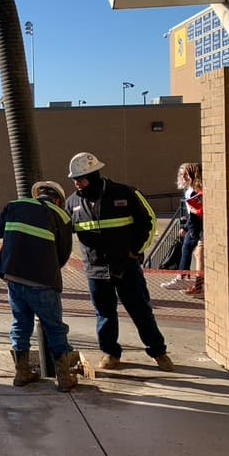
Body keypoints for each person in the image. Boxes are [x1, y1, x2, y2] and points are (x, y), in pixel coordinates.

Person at [65, 151, 175, 371]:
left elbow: (149, 221)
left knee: (140, 311)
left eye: (81, 179)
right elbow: (63, 231)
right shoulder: (72, 203)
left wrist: (136, 251)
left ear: (95, 175)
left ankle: (158, 352)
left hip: (126, 266)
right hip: (95, 270)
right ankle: (110, 353)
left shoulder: (125, 193)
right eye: (75, 180)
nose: (77, 183)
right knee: (105, 314)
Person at [0, 180, 79, 391]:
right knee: (54, 328)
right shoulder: (61, 216)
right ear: (57, 200)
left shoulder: (13, 205)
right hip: (43, 283)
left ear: (37, 194)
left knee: (20, 325)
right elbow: (63, 255)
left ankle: (21, 373)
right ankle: (64, 378)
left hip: (14, 278)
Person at [160, 163, 204, 296]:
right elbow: (192, 213)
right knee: (188, 250)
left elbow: (197, 213)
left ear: (193, 175)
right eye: (181, 174)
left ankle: (189, 281)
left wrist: (190, 230)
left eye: (185, 174)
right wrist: (185, 226)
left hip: (198, 229)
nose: (182, 177)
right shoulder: (189, 190)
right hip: (193, 227)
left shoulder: (197, 191)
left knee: (197, 254)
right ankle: (188, 281)